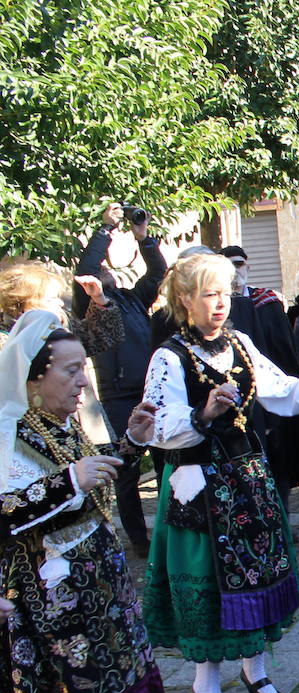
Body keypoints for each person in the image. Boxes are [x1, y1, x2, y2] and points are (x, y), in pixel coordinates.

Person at [0, 310, 201, 693]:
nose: (83, 382)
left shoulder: (59, 425)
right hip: (47, 604)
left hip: (96, 590)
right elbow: (7, 510)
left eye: (82, 369)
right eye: (70, 372)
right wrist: (68, 480)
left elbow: (93, 484)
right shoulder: (7, 434)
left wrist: (130, 443)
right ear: (33, 379)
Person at [141, 255, 299, 693]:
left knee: (261, 574)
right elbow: (157, 424)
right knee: (212, 585)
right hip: (199, 487)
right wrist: (201, 414)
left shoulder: (239, 343)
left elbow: (278, 386)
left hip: (248, 481)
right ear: (185, 299)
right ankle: (205, 686)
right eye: (208, 294)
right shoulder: (170, 356)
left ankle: (255, 669)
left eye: (225, 293)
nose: (220, 303)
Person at [71, 203, 165, 555]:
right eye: (101, 269)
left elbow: (157, 273)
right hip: (119, 396)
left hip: (149, 392)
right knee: (126, 473)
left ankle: (169, 533)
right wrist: (106, 228)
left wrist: (144, 237)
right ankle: (139, 540)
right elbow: (86, 268)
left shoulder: (132, 299)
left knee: (164, 461)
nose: (105, 270)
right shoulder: (90, 304)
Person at [220, 245, 299, 503]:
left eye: (238, 263)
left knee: (278, 461)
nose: (234, 270)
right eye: (227, 264)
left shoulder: (265, 301)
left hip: (271, 392)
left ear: (248, 267)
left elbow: (285, 350)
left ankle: (282, 519)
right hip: (231, 402)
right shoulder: (217, 307)